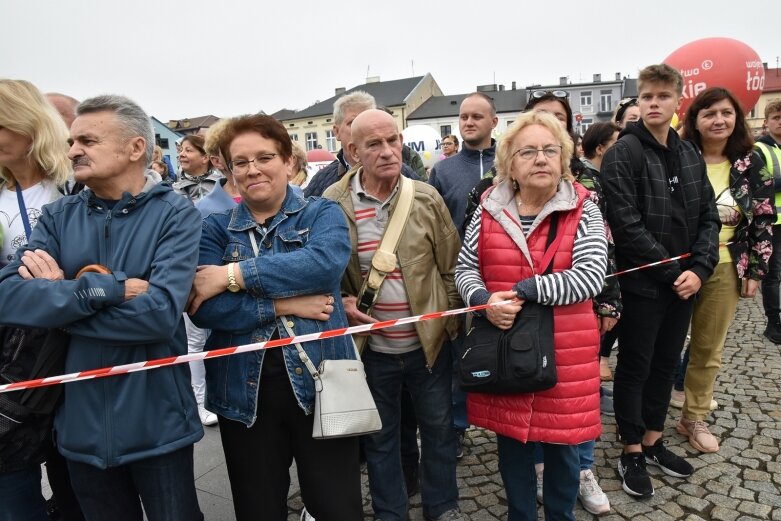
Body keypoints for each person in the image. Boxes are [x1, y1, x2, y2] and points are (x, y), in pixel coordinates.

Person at [0, 94, 204, 521]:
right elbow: (9, 298)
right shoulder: (58, 216)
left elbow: (159, 315)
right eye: (72, 140)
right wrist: (105, 289)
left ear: (134, 148)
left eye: (87, 140)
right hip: (79, 428)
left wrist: (58, 302)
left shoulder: (175, 214)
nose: (72, 150)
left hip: (158, 422)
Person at [188, 114, 362, 521]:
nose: (252, 169)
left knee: (337, 507)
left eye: (264, 157)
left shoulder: (323, 214)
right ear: (228, 171)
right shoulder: (213, 228)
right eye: (240, 162)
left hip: (323, 381)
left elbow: (321, 266)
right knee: (258, 508)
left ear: (287, 161)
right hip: (241, 391)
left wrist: (232, 275)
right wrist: (284, 305)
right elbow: (205, 307)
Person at [455, 110, 607, 520]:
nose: (541, 159)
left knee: (563, 451)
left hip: (565, 351)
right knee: (512, 449)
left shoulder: (585, 208)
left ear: (564, 158)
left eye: (549, 150)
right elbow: (464, 269)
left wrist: (525, 290)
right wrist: (485, 300)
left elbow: (591, 276)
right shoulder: (489, 207)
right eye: (528, 151)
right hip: (507, 348)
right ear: (509, 164)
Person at [323, 109, 464, 521]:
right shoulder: (332, 205)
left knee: (438, 432)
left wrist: (451, 326)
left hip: (429, 348)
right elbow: (324, 274)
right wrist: (342, 300)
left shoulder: (425, 197)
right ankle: (390, 512)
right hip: (371, 351)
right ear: (352, 150)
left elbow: (450, 268)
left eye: (393, 140)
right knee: (380, 438)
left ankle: (443, 507)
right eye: (374, 144)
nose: (388, 152)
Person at [601, 64, 720, 498]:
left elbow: (709, 215)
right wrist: (675, 272)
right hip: (645, 286)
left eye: (662, 96)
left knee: (666, 364)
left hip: (685, 284)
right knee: (635, 366)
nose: (654, 103)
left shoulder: (689, 153)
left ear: (677, 102)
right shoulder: (623, 153)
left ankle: (653, 440)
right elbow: (626, 225)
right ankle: (630, 448)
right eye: (646, 96)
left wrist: (700, 270)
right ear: (637, 100)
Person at [671, 87, 774, 453]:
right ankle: (644, 420)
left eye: (726, 113)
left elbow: (762, 216)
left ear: (737, 118)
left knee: (707, 348)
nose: (719, 120)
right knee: (661, 344)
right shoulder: (678, 156)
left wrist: (756, 271)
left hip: (727, 265)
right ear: (694, 120)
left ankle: (693, 417)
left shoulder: (750, 161)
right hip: (677, 266)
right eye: (709, 113)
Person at [0, 79, 77, 521]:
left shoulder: (73, 188)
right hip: (11, 356)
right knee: (13, 473)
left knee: (73, 480)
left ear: (27, 124)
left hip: (68, 351)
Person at [304, 91, 418, 197]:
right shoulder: (323, 181)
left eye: (368, 122)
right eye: (353, 122)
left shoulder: (405, 174)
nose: (361, 128)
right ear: (337, 132)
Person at [579, 122, 622, 383]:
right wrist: (610, 297)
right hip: (594, 284)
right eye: (617, 146)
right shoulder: (590, 180)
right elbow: (602, 244)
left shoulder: (597, 176)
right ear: (600, 148)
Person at [756, 98, 781, 343]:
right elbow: (764, 182)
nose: (780, 122)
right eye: (776, 117)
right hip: (771, 222)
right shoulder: (760, 149)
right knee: (772, 275)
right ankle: (774, 323)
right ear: (767, 122)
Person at [172, 134, 223, 202]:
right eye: (181, 150)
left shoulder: (222, 184)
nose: (181, 154)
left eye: (188, 150)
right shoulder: (175, 190)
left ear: (205, 158)